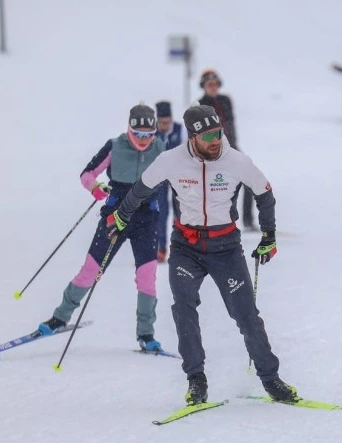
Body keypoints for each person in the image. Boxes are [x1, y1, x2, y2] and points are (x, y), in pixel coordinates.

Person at [105, 104, 298, 405]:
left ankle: (271, 380)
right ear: (193, 137)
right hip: (186, 247)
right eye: (208, 136)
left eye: (218, 133)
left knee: (246, 317)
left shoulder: (236, 161)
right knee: (184, 309)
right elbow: (141, 189)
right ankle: (196, 380)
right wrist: (121, 216)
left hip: (226, 248)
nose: (215, 140)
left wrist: (268, 235)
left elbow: (264, 193)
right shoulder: (171, 160)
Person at [37, 104, 167, 352]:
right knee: (90, 271)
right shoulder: (115, 146)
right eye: (137, 134)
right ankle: (60, 317)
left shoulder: (161, 149)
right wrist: (95, 188)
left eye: (148, 135)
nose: (142, 140)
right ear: (128, 130)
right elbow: (87, 173)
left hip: (146, 219)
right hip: (114, 218)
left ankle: (146, 334)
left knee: (147, 277)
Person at [198, 69, 257, 231]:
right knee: (219, 187)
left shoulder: (225, 100)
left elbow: (230, 125)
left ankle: (248, 220)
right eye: (210, 84)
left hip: (231, 146)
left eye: (215, 84)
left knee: (249, 178)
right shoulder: (201, 104)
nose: (213, 87)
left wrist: (233, 145)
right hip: (213, 151)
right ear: (204, 86)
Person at [154, 100, 187, 263]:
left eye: (167, 122)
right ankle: (160, 248)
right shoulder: (152, 132)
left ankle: (177, 247)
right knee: (161, 213)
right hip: (160, 178)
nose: (164, 126)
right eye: (161, 123)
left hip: (177, 177)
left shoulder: (181, 130)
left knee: (178, 212)